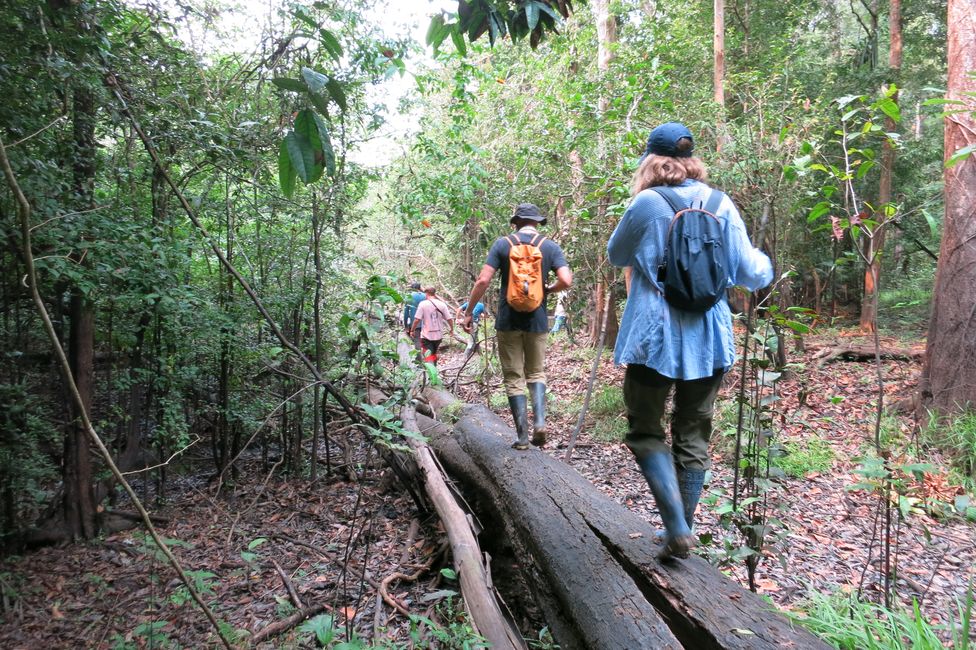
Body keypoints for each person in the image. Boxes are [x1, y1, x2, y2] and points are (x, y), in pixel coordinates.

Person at [607, 122, 773, 560]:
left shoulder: (647, 202)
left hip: (652, 338)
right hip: (710, 338)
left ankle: (676, 527)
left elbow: (616, 255)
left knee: (645, 429)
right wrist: (764, 262)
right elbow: (751, 273)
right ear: (691, 159)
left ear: (650, 160)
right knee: (693, 431)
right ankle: (682, 531)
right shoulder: (721, 203)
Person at [461, 203, 572, 450]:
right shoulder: (550, 247)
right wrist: (547, 290)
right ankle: (540, 423)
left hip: (508, 321)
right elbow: (566, 280)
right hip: (538, 320)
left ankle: (522, 437)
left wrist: (469, 312)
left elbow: (483, 280)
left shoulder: (503, 244)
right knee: (536, 372)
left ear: (516, 222)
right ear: (537, 223)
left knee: (513, 377)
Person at [410, 286, 454, 365]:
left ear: (426, 293)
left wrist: (412, 330)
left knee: (428, 355)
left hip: (427, 336)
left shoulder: (423, 304)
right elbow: (449, 319)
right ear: (434, 293)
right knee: (433, 353)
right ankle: (434, 370)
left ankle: (431, 373)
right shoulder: (442, 304)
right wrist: (452, 329)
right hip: (438, 336)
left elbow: (417, 319)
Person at [403, 282, 426, 349]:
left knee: (417, 340)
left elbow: (406, 313)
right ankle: (429, 357)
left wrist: (406, 325)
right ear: (419, 288)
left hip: (415, 323)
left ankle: (418, 358)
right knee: (427, 342)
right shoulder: (425, 296)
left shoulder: (409, 296)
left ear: (412, 288)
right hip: (426, 322)